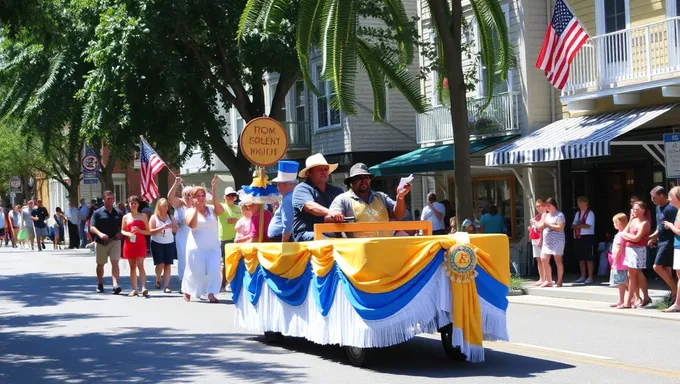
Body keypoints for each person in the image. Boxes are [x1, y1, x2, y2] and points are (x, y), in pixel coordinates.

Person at [327, 163, 410, 238]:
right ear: (351, 181)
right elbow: (328, 219)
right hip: (359, 251)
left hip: (385, 248)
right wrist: (336, 217)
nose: (364, 180)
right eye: (359, 177)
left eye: (366, 177)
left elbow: (398, 215)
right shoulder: (343, 199)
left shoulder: (381, 196)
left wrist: (400, 197)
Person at [183, 175, 225, 303]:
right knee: (196, 271)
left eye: (203, 195)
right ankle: (187, 289)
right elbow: (192, 225)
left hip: (212, 246)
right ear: (193, 198)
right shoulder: (189, 211)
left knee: (214, 269)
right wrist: (196, 209)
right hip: (196, 247)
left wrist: (213, 189)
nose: (201, 198)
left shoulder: (212, 210)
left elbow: (221, 211)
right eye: (198, 196)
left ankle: (211, 293)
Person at [292, 153, 344, 241]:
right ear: (309, 173)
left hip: (332, 232)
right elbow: (310, 207)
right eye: (320, 170)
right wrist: (331, 213)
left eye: (326, 169)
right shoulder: (301, 189)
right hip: (306, 234)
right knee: (328, 242)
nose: (324, 172)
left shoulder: (337, 191)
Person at [89, 191, 124, 294]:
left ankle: (115, 284)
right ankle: (100, 283)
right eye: (108, 198)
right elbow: (92, 227)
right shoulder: (97, 213)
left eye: (112, 198)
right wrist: (100, 234)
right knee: (100, 264)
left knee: (115, 262)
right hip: (101, 242)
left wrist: (120, 233)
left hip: (115, 241)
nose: (111, 200)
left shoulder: (118, 213)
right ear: (103, 200)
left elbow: (123, 226)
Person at [648, 186, 678, 299]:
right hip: (661, 240)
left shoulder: (671, 209)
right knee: (666, 268)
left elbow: (675, 225)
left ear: (661, 195)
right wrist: (653, 237)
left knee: (657, 266)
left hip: (669, 241)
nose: (652, 200)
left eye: (654, 198)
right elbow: (659, 226)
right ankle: (673, 295)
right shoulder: (657, 208)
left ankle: (674, 289)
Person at [621, 200, 652, 309]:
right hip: (629, 249)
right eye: (633, 209)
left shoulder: (645, 223)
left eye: (637, 209)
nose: (634, 211)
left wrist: (626, 235)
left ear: (643, 210)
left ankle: (630, 300)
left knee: (635, 273)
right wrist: (630, 220)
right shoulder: (633, 220)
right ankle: (637, 298)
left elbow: (636, 238)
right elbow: (623, 232)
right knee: (633, 274)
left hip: (638, 249)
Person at [121, 195, 151, 297]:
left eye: (135, 203)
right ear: (128, 204)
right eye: (131, 203)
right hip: (129, 243)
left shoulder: (143, 216)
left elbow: (148, 231)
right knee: (132, 267)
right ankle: (134, 289)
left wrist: (140, 231)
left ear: (138, 204)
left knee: (140, 264)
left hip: (140, 242)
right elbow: (122, 230)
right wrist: (128, 234)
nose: (133, 205)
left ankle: (143, 287)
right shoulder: (125, 217)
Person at [168, 177, 194, 291]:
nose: (188, 197)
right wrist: (176, 183)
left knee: (193, 257)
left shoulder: (195, 205)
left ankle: (193, 281)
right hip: (182, 234)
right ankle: (183, 280)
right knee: (183, 257)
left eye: (190, 194)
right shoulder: (179, 204)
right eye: (186, 194)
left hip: (194, 234)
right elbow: (170, 197)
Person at [149, 198, 178, 293]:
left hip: (169, 242)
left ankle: (166, 286)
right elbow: (150, 232)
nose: (166, 208)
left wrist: (173, 227)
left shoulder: (171, 217)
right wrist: (161, 228)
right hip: (157, 243)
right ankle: (158, 278)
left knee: (168, 264)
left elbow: (175, 230)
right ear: (159, 207)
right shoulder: (154, 217)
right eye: (164, 206)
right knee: (160, 264)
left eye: (167, 206)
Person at [268, 160, 299, 242]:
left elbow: (287, 221)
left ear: (285, 184)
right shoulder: (291, 196)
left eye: (278, 184)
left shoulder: (287, 199)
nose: (277, 187)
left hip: (281, 237)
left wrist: (284, 241)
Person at [537, 197, 565, 288]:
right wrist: (537, 224)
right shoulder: (546, 215)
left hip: (557, 241)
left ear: (554, 205)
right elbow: (540, 227)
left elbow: (560, 227)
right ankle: (548, 280)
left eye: (549, 205)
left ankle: (559, 281)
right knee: (544, 258)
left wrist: (549, 225)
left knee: (558, 260)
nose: (548, 207)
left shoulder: (559, 215)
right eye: (546, 206)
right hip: (547, 241)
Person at [217, 187, 240, 291]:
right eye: (228, 195)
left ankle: (230, 281)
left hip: (237, 238)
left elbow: (245, 218)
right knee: (225, 262)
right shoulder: (222, 207)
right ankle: (223, 282)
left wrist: (237, 220)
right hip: (224, 238)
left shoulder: (239, 208)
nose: (231, 197)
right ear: (224, 197)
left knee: (234, 261)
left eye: (232, 195)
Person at [662, 186, 680, 312]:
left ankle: (677, 304)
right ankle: (677, 303)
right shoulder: (678, 211)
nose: (668, 198)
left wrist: (670, 226)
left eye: (670, 195)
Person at [572, 196, 596, 284]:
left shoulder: (590, 213)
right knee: (581, 258)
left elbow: (588, 225)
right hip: (578, 236)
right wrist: (579, 225)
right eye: (578, 203)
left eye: (580, 202)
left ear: (585, 203)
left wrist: (578, 225)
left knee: (588, 257)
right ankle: (583, 276)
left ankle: (590, 276)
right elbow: (573, 225)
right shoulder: (577, 213)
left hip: (587, 236)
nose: (579, 204)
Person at [609, 213, 629, 308]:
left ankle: (632, 297)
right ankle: (621, 300)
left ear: (619, 223)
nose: (613, 224)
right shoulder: (622, 234)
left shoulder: (620, 235)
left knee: (624, 280)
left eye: (615, 222)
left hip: (620, 261)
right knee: (620, 282)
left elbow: (619, 249)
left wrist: (615, 261)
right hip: (621, 261)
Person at [529, 200, 547, 286]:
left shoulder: (545, 216)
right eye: (537, 206)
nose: (539, 208)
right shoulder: (536, 217)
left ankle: (547, 278)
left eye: (541, 206)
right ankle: (541, 278)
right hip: (534, 238)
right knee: (538, 259)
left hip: (541, 239)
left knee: (544, 259)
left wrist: (535, 223)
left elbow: (541, 228)